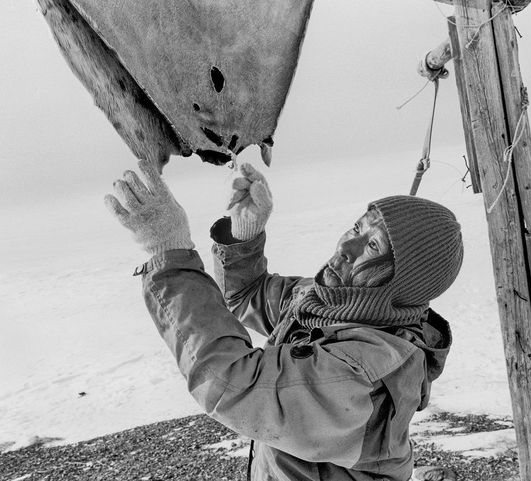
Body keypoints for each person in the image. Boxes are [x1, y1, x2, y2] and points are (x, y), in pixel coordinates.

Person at [105, 159, 464, 481]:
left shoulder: (366, 369)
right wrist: (245, 236)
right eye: (357, 228)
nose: (346, 247)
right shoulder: (331, 302)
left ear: (401, 283)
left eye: (372, 247)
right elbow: (247, 297)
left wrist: (168, 250)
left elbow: (233, 384)